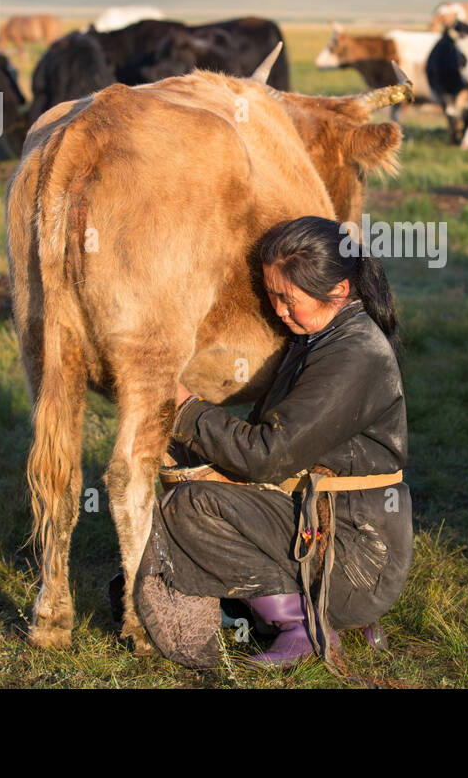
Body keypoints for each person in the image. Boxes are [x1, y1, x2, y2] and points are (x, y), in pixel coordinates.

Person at [131, 215, 412, 669]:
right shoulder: (321, 336)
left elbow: (267, 455)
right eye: (271, 294)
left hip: (359, 557)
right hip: (328, 526)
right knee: (186, 479)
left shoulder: (354, 354)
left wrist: (183, 409)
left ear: (338, 290)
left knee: (192, 507)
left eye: (288, 298)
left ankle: (301, 628)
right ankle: (314, 612)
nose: (278, 310)